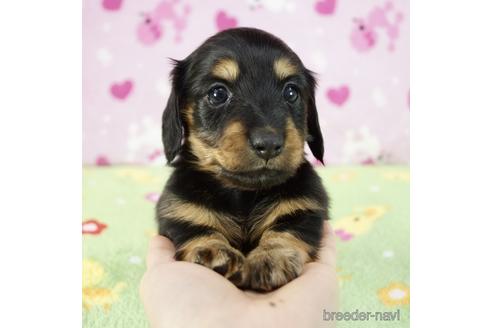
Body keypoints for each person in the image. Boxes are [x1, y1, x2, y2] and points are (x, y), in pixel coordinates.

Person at [140, 222, 338, 328]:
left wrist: (283, 245)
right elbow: (179, 221)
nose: (265, 142)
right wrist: (202, 243)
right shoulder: (183, 199)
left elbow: (306, 218)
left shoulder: (303, 198)